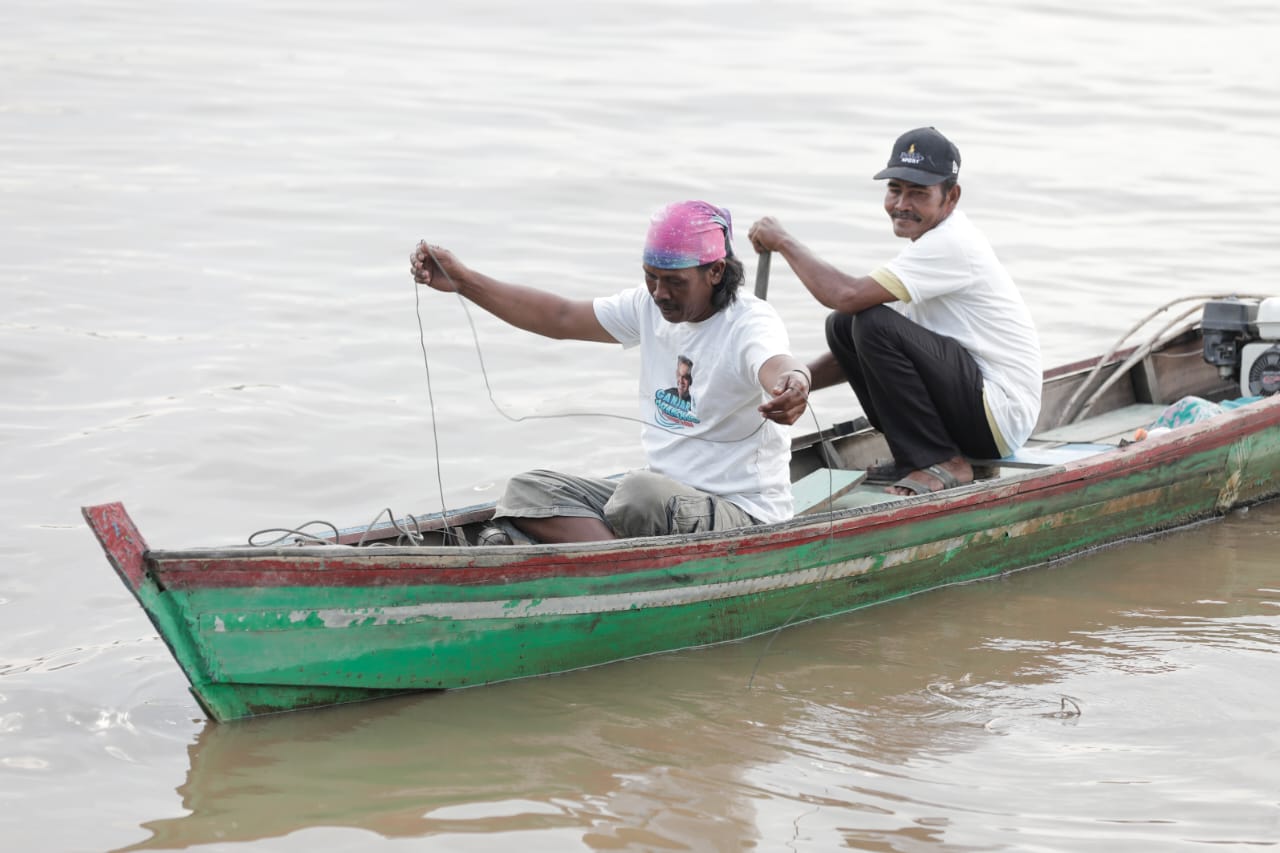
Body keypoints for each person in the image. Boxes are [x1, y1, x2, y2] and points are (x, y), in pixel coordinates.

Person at [410, 200, 811, 543]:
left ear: (716, 272)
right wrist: (463, 281)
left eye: (674, 282)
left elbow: (778, 365)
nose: (659, 293)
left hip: (742, 516)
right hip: (661, 504)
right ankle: (617, 566)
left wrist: (794, 385)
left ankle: (619, 568)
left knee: (637, 493)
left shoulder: (749, 321)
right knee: (527, 491)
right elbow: (560, 317)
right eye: (650, 277)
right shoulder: (648, 305)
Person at [747, 127, 1041, 496]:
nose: (902, 203)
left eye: (919, 193)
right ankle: (920, 456)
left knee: (865, 318)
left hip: (998, 417)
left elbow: (845, 294)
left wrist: (784, 241)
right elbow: (856, 338)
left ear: (951, 197)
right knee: (846, 326)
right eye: (895, 189)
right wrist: (795, 381)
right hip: (973, 411)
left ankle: (941, 461)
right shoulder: (926, 250)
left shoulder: (952, 245)